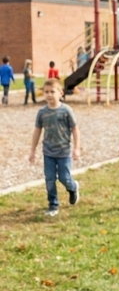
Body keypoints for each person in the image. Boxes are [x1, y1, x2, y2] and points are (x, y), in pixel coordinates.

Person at [29, 78, 80, 217]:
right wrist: (32, 150)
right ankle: (53, 204)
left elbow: (75, 129)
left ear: (60, 93)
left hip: (63, 151)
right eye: (46, 92)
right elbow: (37, 131)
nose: (49, 95)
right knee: (50, 179)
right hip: (48, 152)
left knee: (64, 178)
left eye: (52, 91)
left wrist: (77, 148)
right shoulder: (42, 112)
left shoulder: (66, 111)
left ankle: (73, 187)